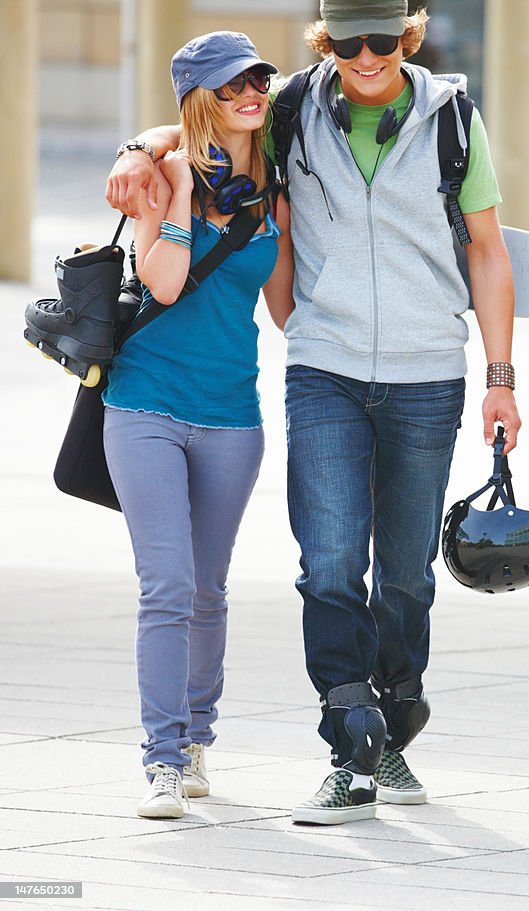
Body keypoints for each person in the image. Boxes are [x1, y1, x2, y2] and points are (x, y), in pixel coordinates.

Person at [106, 0, 520, 825]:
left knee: (404, 573)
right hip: (320, 373)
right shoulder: (297, 106)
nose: (365, 57)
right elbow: (203, 116)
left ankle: (393, 727)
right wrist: (144, 148)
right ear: (327, 45)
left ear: (406, 39)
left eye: (382, 41)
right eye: (347, 43)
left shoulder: (453, 122)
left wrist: (500, 376)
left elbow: (488, 248)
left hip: (426, 373)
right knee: (328, 566)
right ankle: (346, 747)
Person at [102, 31, 295, 819]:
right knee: (168, 585)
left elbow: (287, 312)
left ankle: (197, 738)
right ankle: (161, 757)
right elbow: (168, 282)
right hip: (144, 404)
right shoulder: (156, 176)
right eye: (231, 85)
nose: (250, 93)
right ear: (198, 100)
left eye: (257, 79)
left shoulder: (275, 190)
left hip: (232, 417)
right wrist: (175, 184)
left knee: (209, 589)